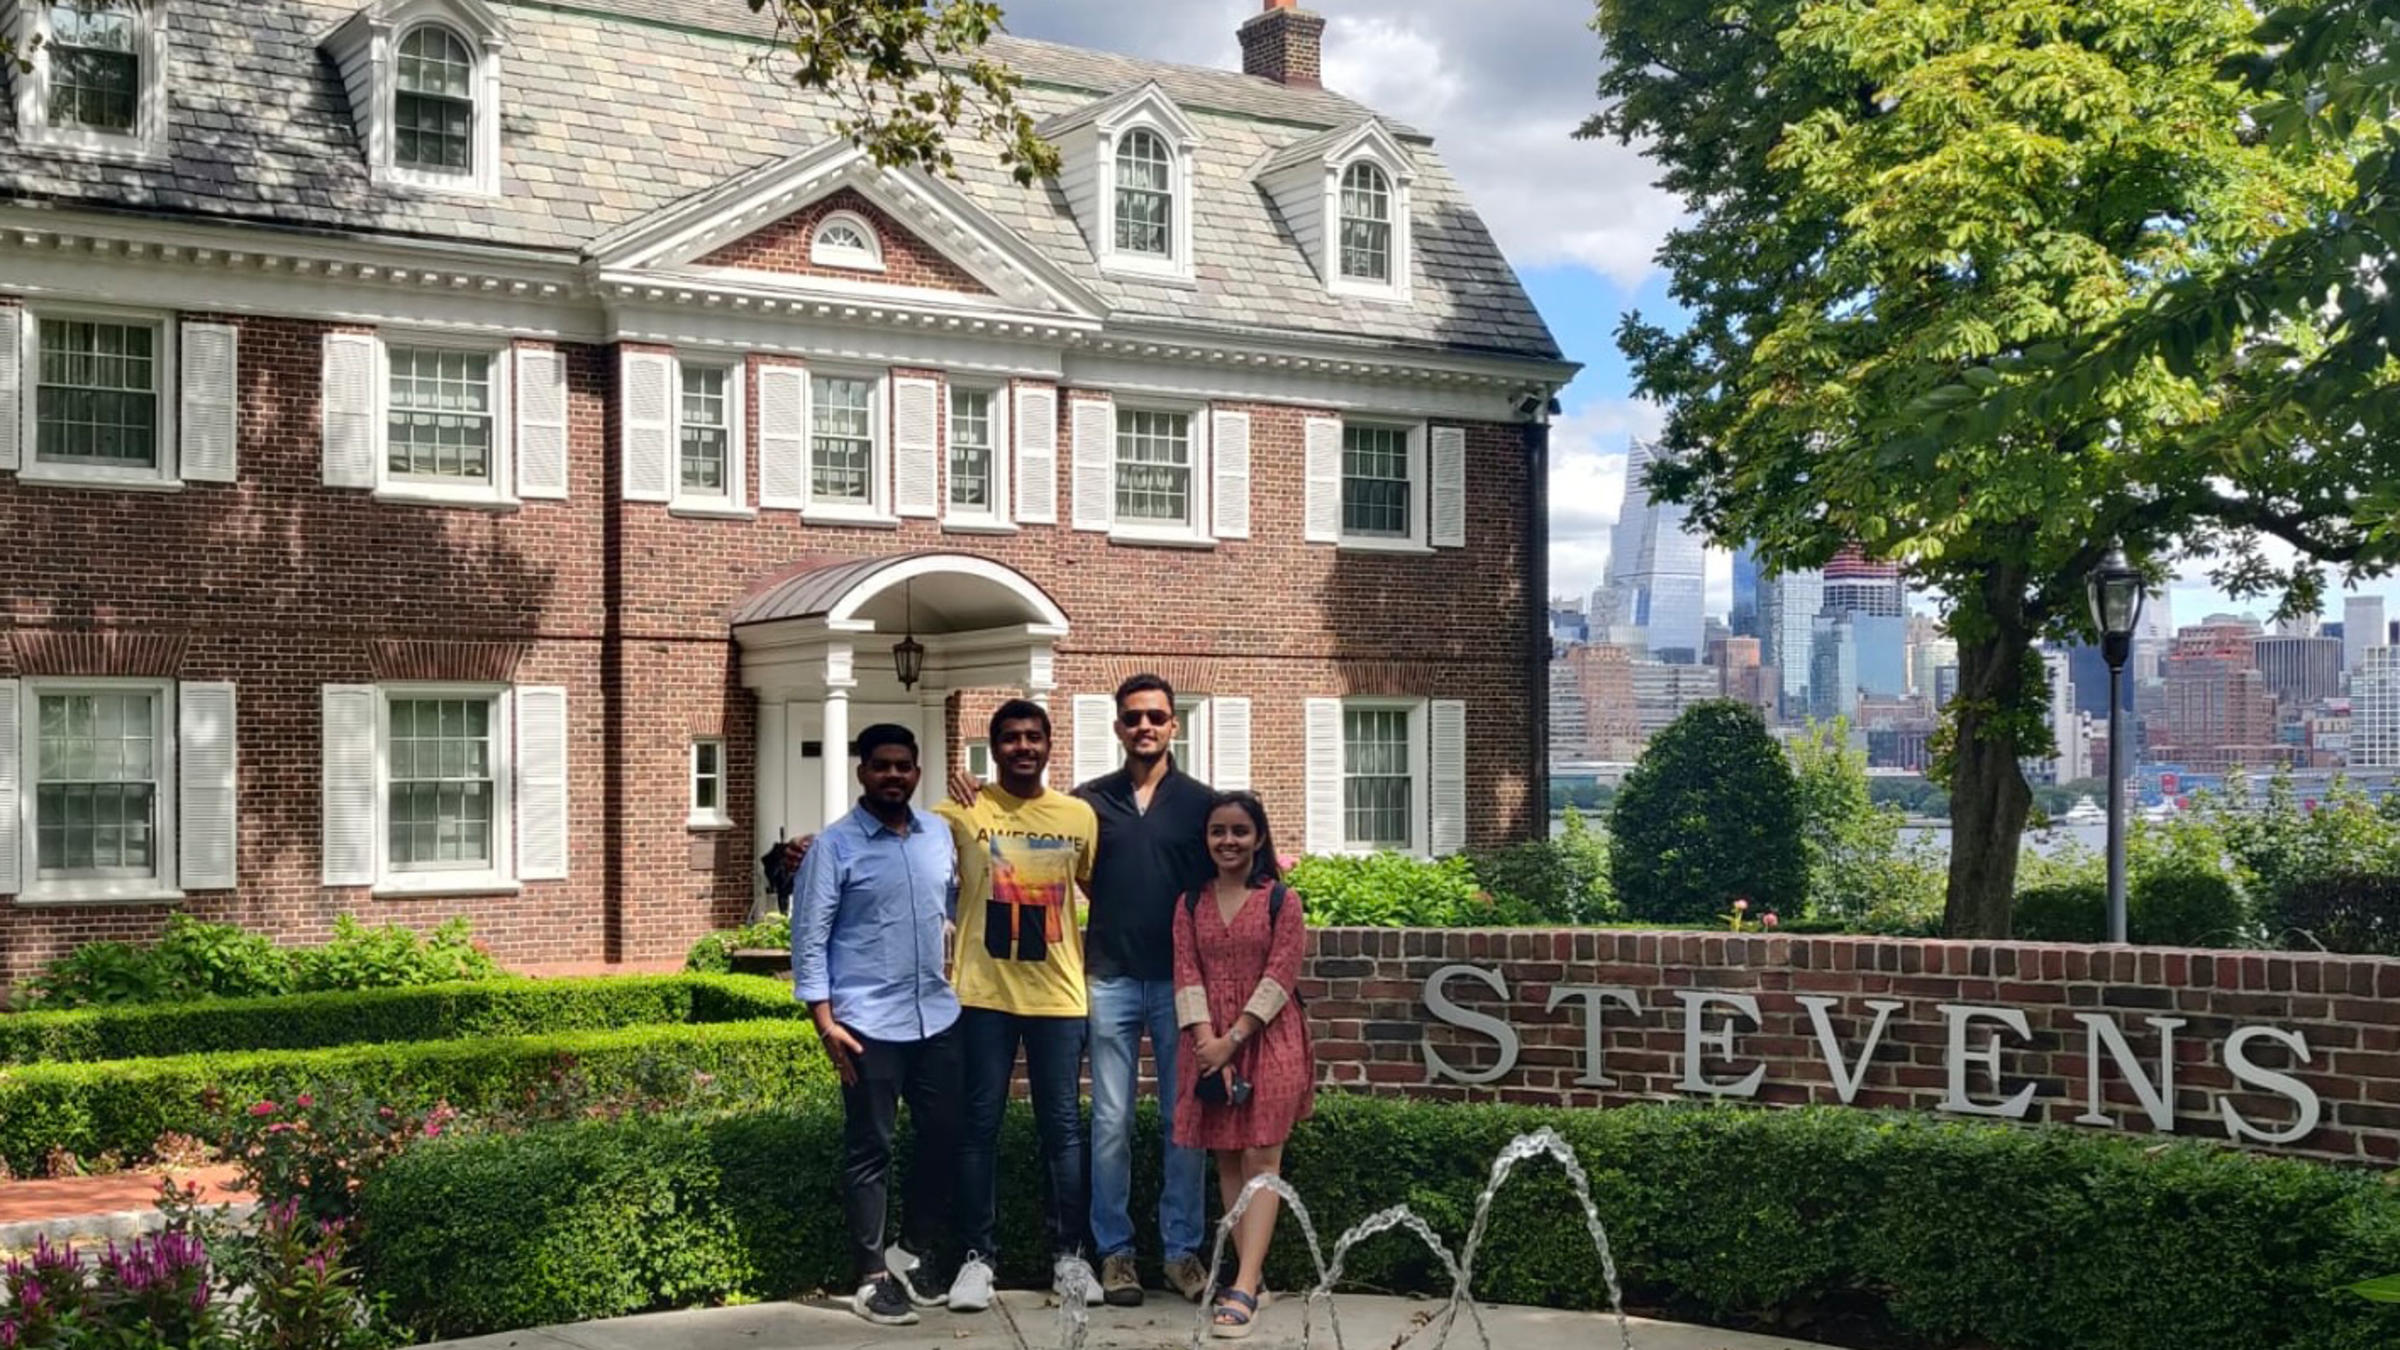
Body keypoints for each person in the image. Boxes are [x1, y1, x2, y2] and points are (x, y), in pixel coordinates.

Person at [790, 724, 963, 1326]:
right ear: (862, 772)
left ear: (917, 772)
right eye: (881, 765)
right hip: (867, 1024)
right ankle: (868, 1276)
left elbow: (958, 904)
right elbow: (808, 938)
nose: (894, 775)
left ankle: (909, 1251)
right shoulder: (833, 848)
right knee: (871, 1149)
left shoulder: (937, 836)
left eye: (904, 766)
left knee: (947, 1135)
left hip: (935, 1017)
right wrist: (823, 1022)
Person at [938, 699, 1104, 1312]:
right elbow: (897, 827)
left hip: (1059, 997)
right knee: (979, 1127)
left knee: (1062, 1130)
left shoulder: (1079, 816)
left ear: (1050, 744)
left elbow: (1101, 889)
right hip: (983, 995)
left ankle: (1071, 1259)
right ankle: (976, 1260)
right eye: (1010, 738)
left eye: (1034, 737)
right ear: (994, 746)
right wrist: (809, 847)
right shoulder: (963, 808)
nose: (1023, 747)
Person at [1076, 676, 1214, 1305]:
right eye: (1133, 718)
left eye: (1157, 716)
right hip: (1109, 975)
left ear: (1174, 725)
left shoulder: (1202, 804)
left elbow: (1228, 885)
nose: (1145, 727)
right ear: (1118, 727)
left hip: (1182, 984)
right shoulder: (1090, 803)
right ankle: (1116, 1253)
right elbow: (1068, 872)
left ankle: (1182, 1252)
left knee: (1182, 1121)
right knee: (1110, 1122)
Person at [1172, 792, 1314, 1340]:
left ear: (1258, 838)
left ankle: (1245, 1284)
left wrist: (1233, 1040)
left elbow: (1281, 977)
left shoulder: (1283, 901)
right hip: (1208, 1042)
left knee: (1262, 1156)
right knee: (1228, 1155)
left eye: (1239, 831)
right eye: (1217, 832)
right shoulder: (1189, 904)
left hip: (1268, 1039)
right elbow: (1186, 973)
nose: (1227, 841)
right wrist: (1209, 1044)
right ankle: (1250, 1280)